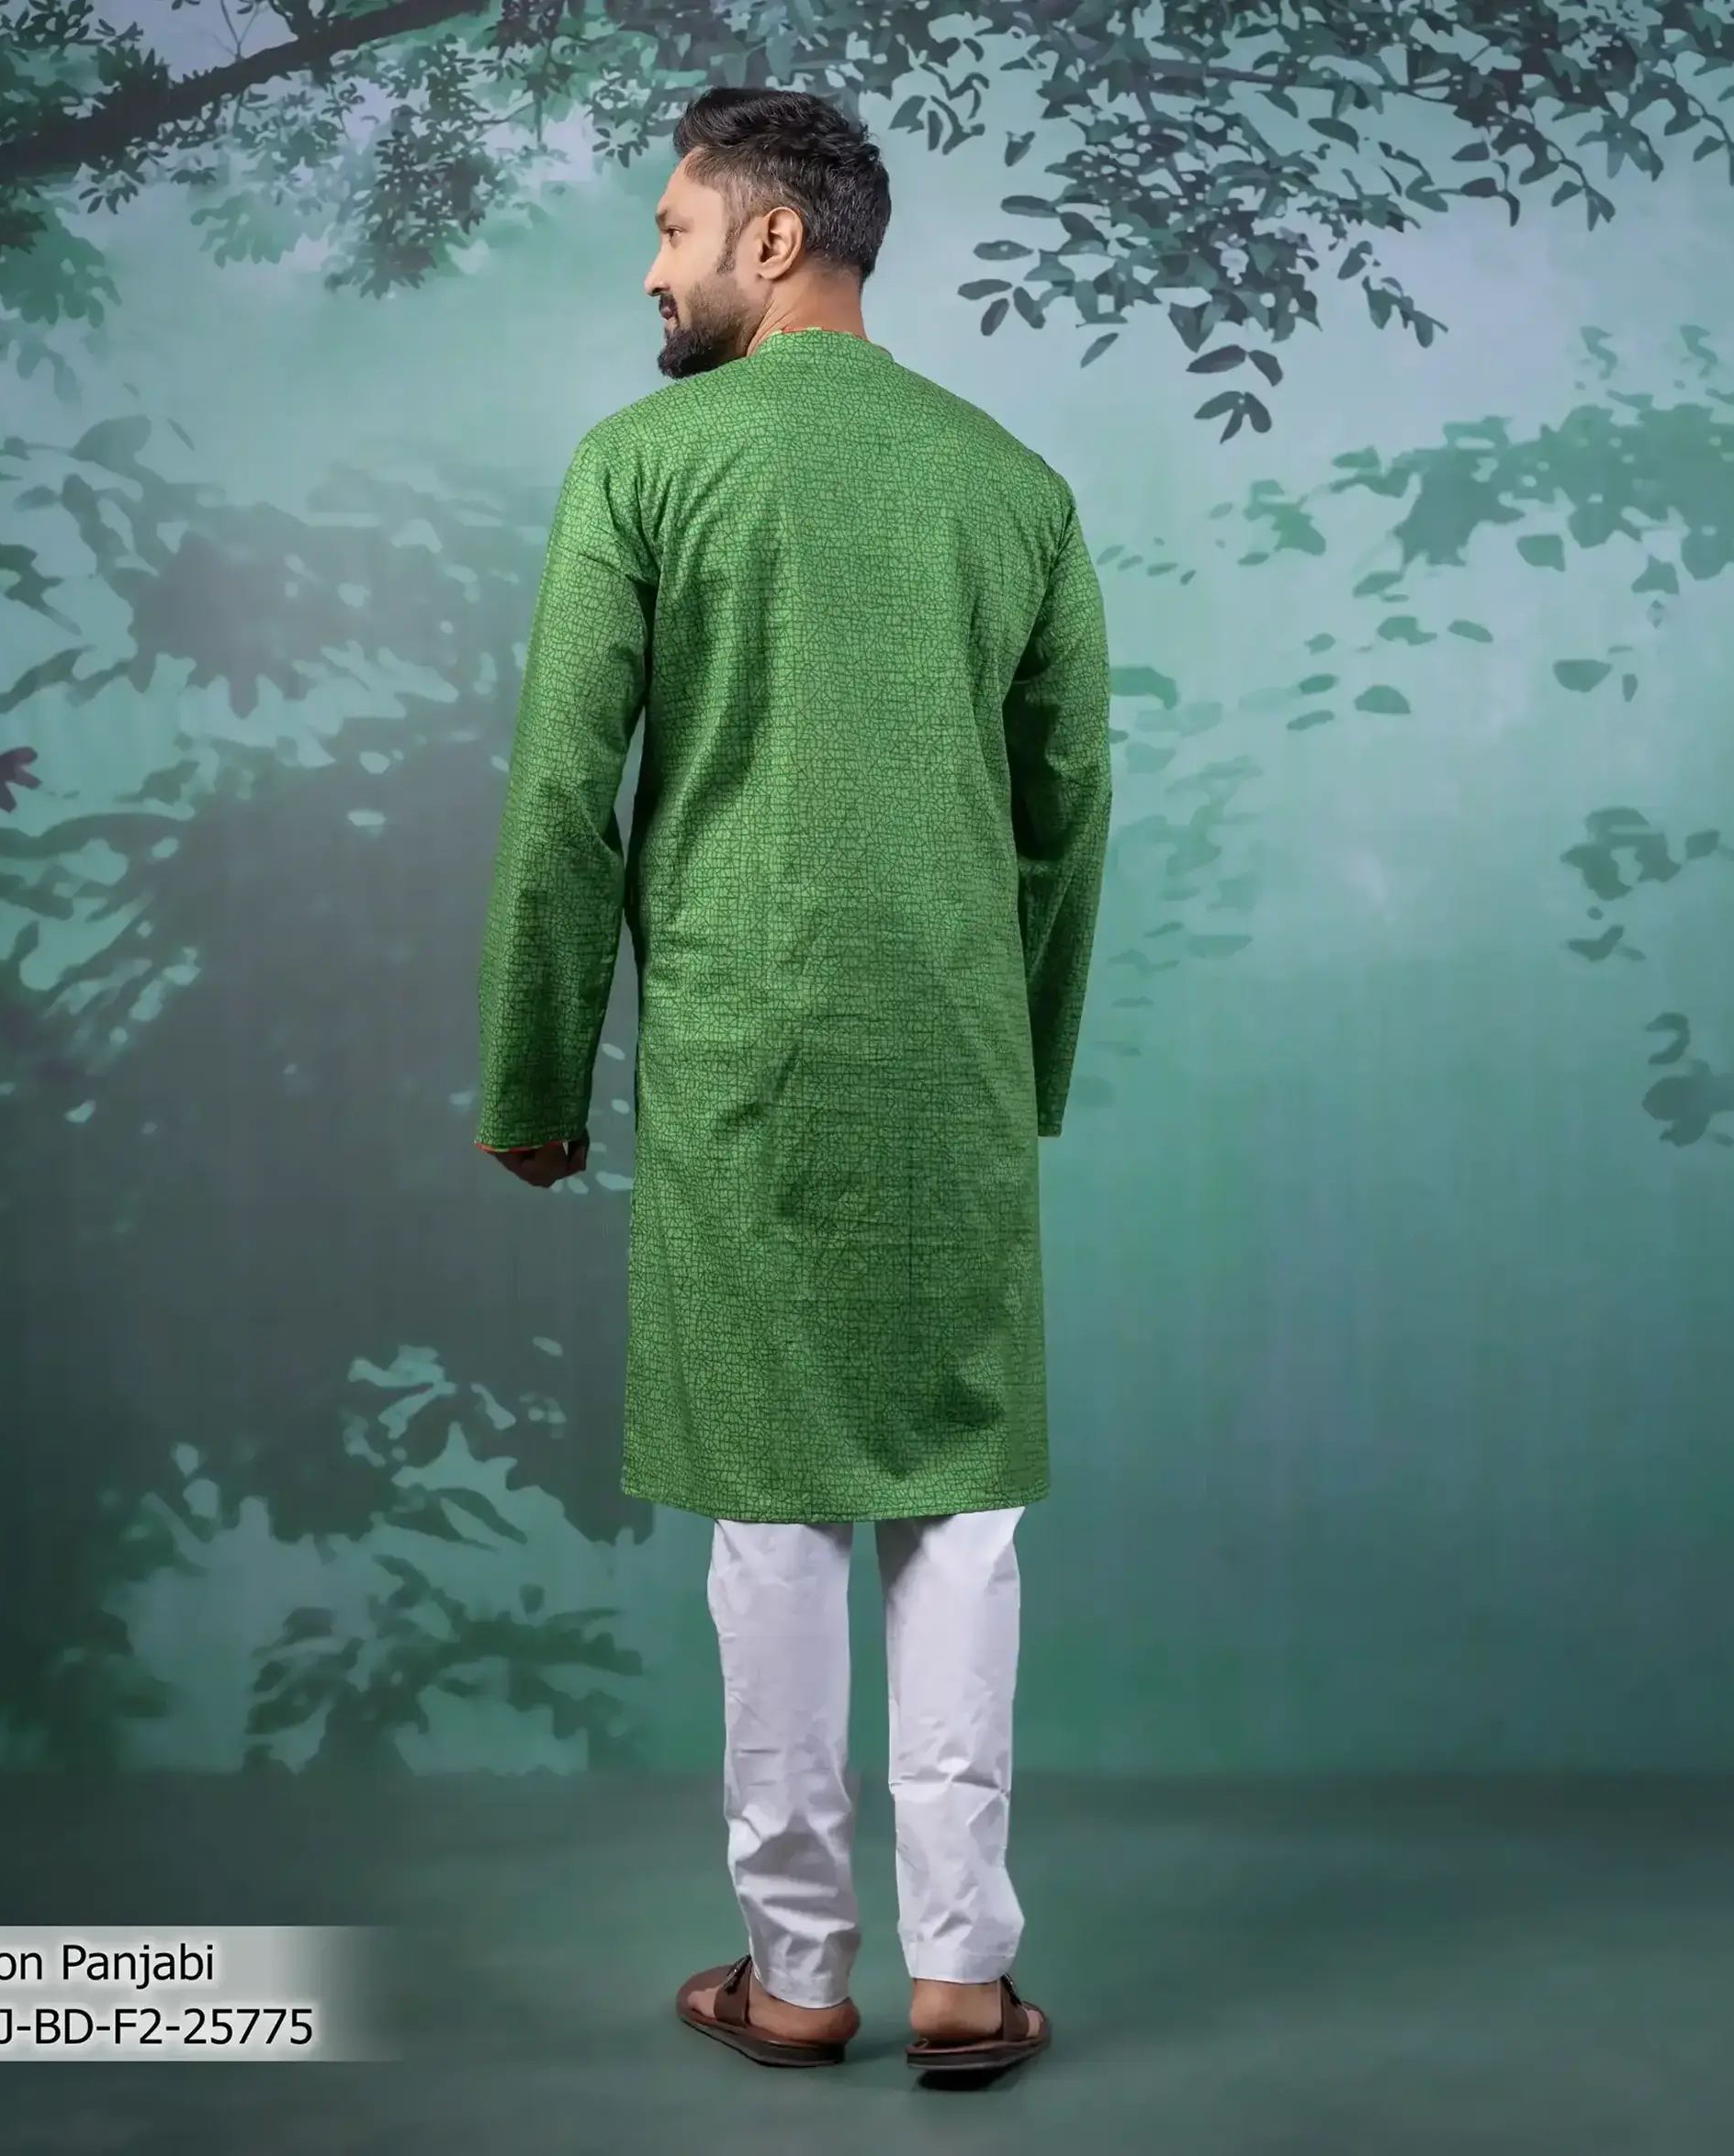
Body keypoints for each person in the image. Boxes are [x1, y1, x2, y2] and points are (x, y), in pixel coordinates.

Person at [474, 84, 1112, 2078]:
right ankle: (964, 1968)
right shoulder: (1012, 484)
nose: (650, 268)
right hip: (950, 1057)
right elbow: (1068, 812)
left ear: (773, 238)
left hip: (743, 1050)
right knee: (961, 1510)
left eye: (673, 227)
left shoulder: (644, 464)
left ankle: (800, 1972)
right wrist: (1025, 1063)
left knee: (771, 1512)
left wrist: (535, 1071)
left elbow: (565, 798)